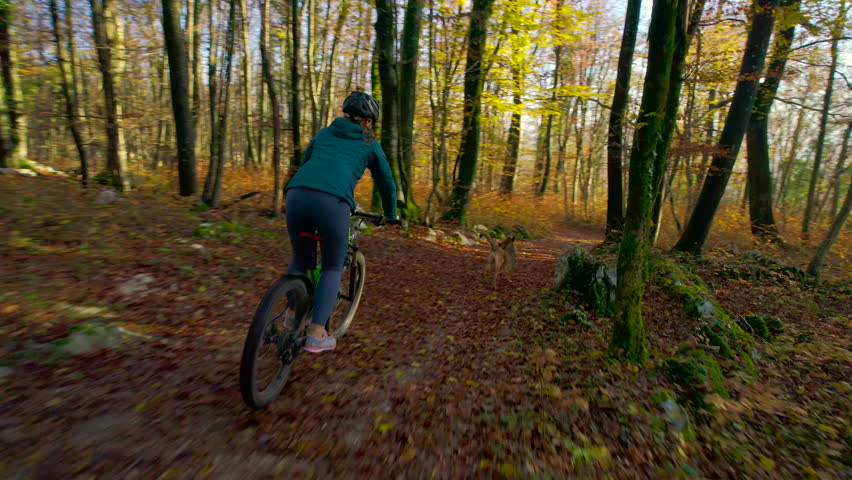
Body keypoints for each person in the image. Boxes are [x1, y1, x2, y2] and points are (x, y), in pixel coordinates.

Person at [284, 91, 400, 353]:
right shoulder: (369, 141)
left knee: (301, 259)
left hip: (296, 194)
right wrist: (391, 215)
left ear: (346, 114)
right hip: (333, 202)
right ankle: (316, 334)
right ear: (368, 122)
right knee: (333, 267)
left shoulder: (325, 133)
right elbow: (387, 184)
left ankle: (292, 314)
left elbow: (306, 163)